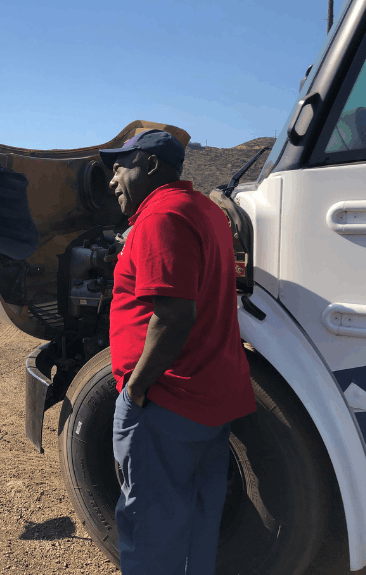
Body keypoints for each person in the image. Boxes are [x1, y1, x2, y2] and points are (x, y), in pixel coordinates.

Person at [99, 130, 256, 575]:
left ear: (149, 165)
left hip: (168, 401)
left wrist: (135, 388)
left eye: (119, 167)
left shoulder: (160, 217)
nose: (112, 180)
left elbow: (172, 317)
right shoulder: (205, 210)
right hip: (209, 396)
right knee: (195, 529)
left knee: (150, 530)